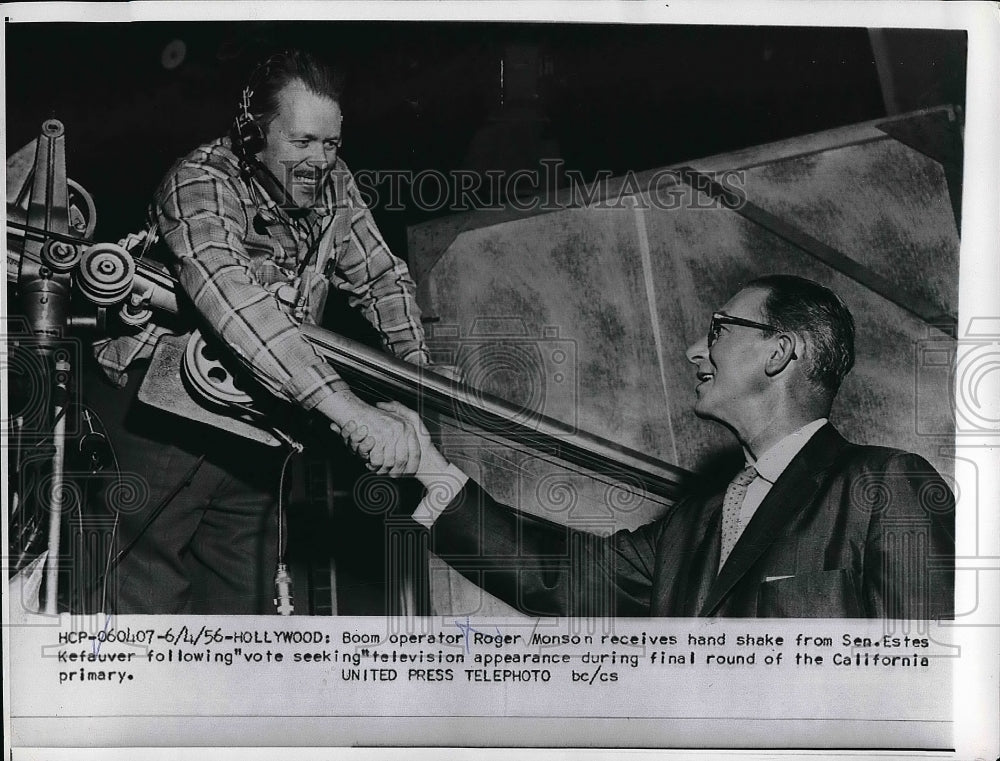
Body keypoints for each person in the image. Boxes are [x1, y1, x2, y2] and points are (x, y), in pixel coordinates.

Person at [345, 275, 955, 618]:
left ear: (780, 351)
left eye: (719, 329)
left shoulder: (885, 485)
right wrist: (431, 469)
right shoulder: (692, 524)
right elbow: (561, 578)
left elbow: (928, 684)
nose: (695, 350)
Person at [80, 49, 425, 613]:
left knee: (242, 616)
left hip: (257, 425)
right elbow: (237, 305)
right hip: (162, 419)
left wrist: (415, 389)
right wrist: (353, 412)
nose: (320, 161)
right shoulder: (198, 181)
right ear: (252, 133)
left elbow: (383, 279)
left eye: (331, 143)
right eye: (301, 143)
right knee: (141, 608)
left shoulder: (333, 184)